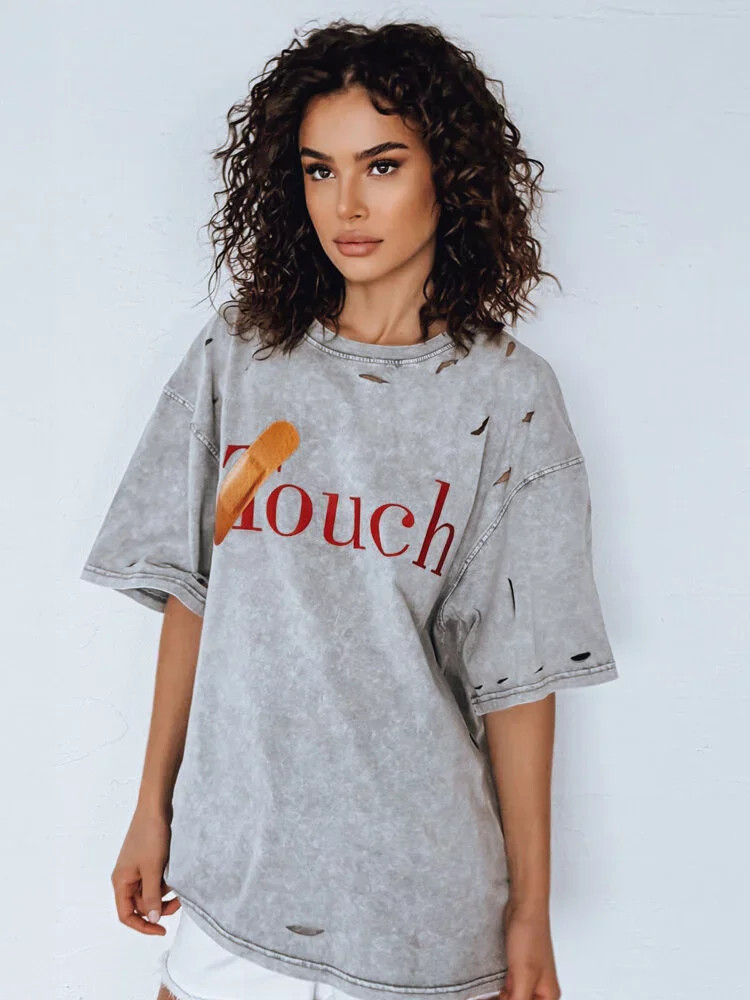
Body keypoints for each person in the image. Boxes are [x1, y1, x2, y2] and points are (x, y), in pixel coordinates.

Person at [79, 19, 619, 1000]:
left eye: (382, 165)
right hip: (235, 872)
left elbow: (519, 673)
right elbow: (198, 590)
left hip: (418, 900)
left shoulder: (508, 397)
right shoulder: (245, 356)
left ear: (449, 173)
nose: (348, 204)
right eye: (319, 170)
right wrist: (151, 806)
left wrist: (530, 911)